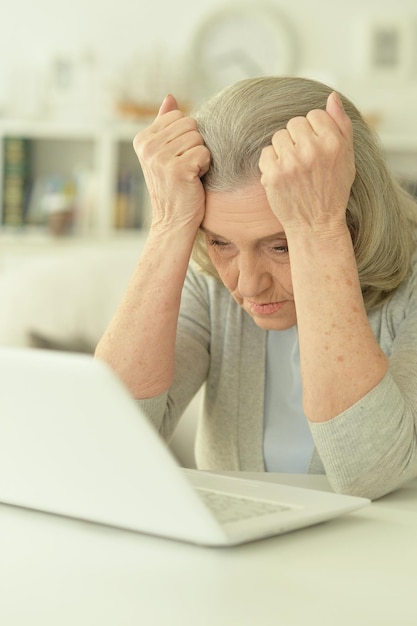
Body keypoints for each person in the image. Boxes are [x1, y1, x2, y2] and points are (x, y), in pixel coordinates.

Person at [95, 76, 417, 500]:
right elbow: (106, 446)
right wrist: (170, 222)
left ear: (353, 220)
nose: (247, 284)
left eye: (281, 245)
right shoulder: (209, 281)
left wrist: (317, 229)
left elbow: (370, 475)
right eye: (220, 242)